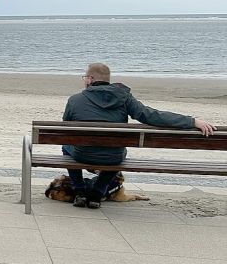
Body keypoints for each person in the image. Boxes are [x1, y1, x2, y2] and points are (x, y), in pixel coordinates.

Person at [62, 62, 215, 208]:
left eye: (84, 77)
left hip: (82, 154)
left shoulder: (75, 100)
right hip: (112, 157)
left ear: (90, 79)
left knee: (65, 146)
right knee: (119, 153)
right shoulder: (124, 98)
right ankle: (97, 193)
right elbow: (151, 116)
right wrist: (192, 121)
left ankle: (80, 190)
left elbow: (66, 128)